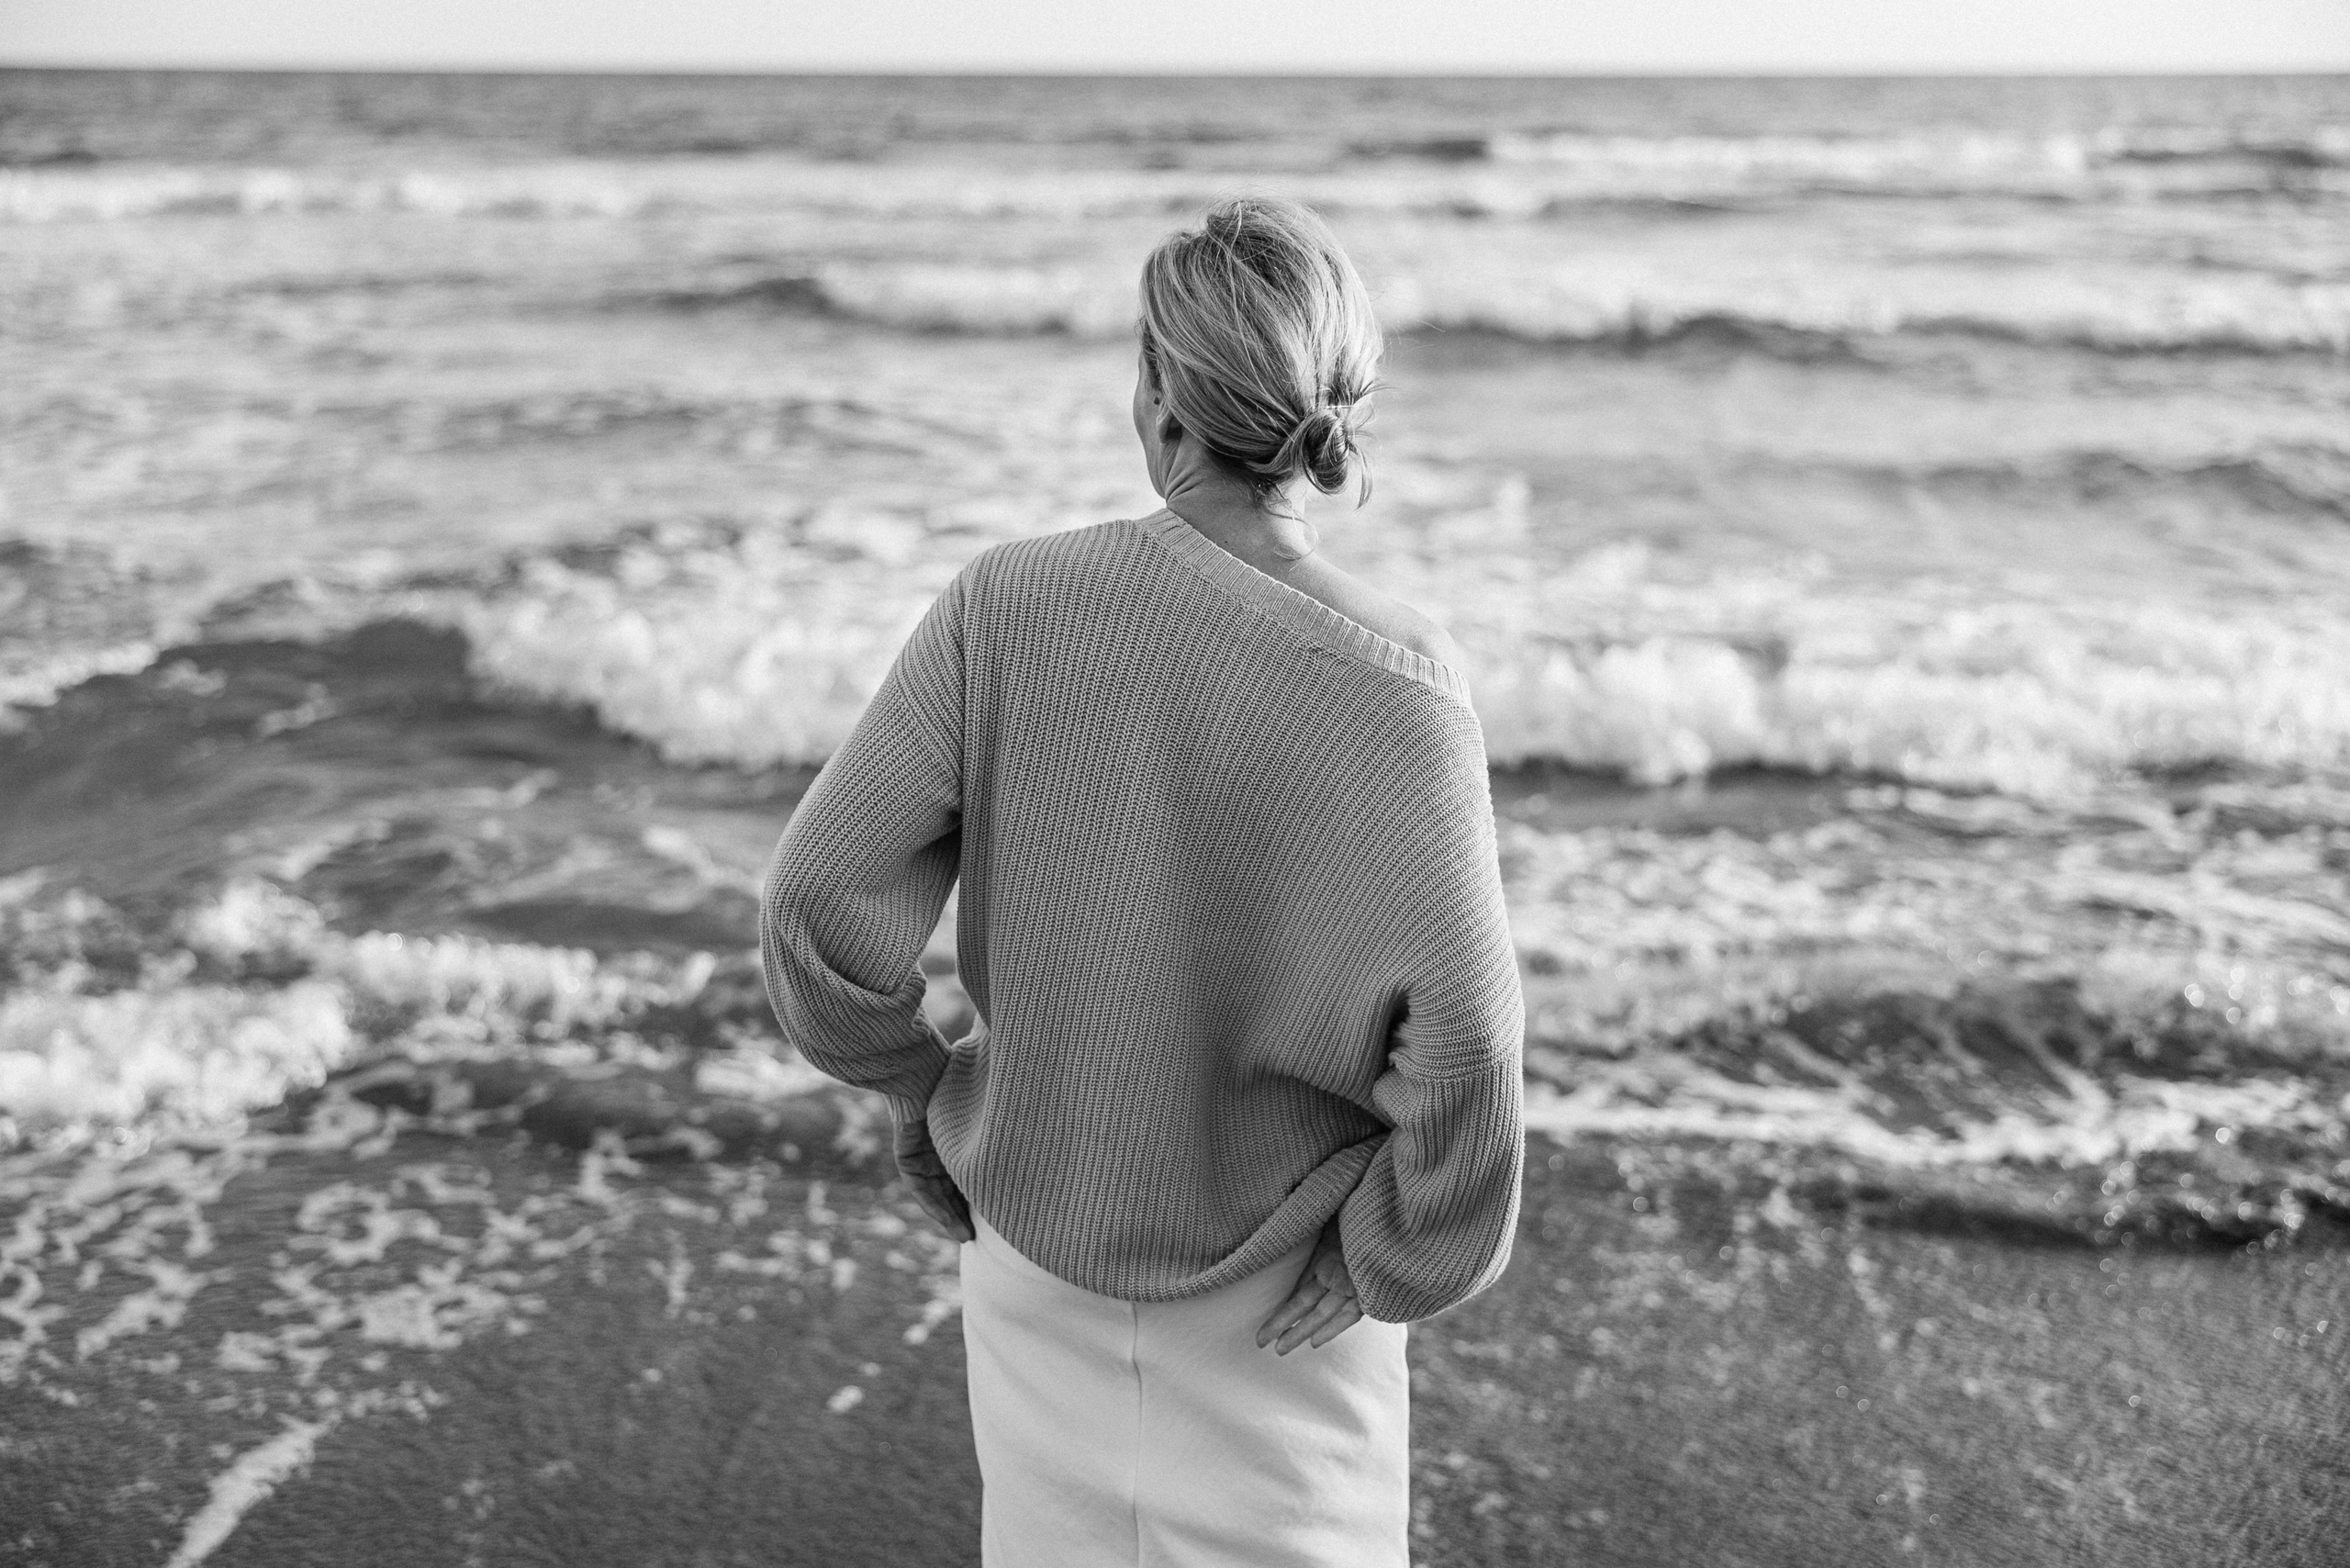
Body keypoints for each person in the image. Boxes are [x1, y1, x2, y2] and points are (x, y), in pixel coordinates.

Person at [759, 195, 1525, 1568]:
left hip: (1037, 1256)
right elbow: (1468, 1048)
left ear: (1161, 399)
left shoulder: (1006, 608)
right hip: (1287, 1293)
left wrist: (917, 1084)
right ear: (1336, 415)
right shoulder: (1405, 686)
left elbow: (816, 905)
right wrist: (1396, 1254)